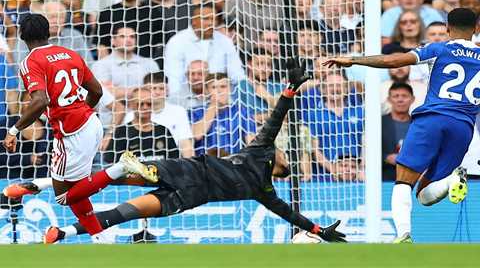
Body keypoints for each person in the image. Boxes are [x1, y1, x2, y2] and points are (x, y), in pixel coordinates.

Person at [5, 57, 347, 244]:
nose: (281, 154)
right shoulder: (264, 190)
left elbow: (274, 121)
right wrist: (318, 232)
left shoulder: (261, 157)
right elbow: (291, 215)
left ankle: (52, 206)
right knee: (122, 210)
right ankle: (58, 222)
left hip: (185, 173)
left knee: (114, 198)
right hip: (188, 193)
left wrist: (288, 89)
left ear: (280, 166)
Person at [323, 7, 480, 243]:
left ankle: (403, 234)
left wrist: (354, 59)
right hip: (463, 127)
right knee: (425, 196)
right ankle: (451, 180)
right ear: (476, 29)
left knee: (404, 181)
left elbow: (393, 60)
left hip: (432, 119)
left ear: (447, 29)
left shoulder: (438, 48)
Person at [1, 13, 156, 242]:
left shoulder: (30, 62)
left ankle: (121, 167)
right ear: (48, 32)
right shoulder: (70, 54)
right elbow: (97, 91)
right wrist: (83, 114)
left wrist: (13, 130)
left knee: (64, 196)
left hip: (71, 132)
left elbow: (40, 100)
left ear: (22, 35)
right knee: (77, 192)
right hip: (90, 123)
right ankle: (100, 239)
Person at [103, 87, 180, 164]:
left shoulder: (163, 131)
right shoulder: (122, 132)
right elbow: (111, 163)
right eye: (140, 104)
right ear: (131, 105)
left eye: (148, 104)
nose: (145, 107)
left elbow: (175, 162)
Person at [382, 83, 415, 181]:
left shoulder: (418, 124)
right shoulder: (378, 123)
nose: (400, 100)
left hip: (413, 178)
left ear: (412, 99)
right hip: (384, 178)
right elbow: (368, 150)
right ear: (389, 99)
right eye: (396, 96)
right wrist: (386, 157)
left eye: (404, 96)